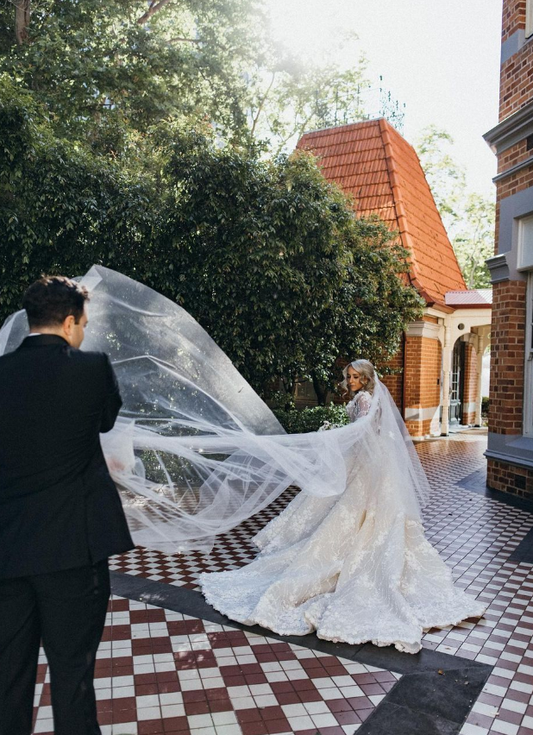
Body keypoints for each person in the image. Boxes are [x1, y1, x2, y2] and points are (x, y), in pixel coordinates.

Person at [200, 360, 486, 654]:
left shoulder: (364, 399)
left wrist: (330, 438)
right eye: (348, 376)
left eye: (355, 377)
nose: (349, 381)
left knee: (345, 512)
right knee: (363, 515)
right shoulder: (372, 398)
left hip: (364, 462)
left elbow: (363, 431)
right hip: (374, 463)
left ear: (365, 379)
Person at [0, 276, 134, 735]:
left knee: (7, 679)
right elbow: (106, 419)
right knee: (72, 676)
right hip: (73, 548)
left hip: (7, 550)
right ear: (71, 322)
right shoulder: (92, 368)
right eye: (84, 324)